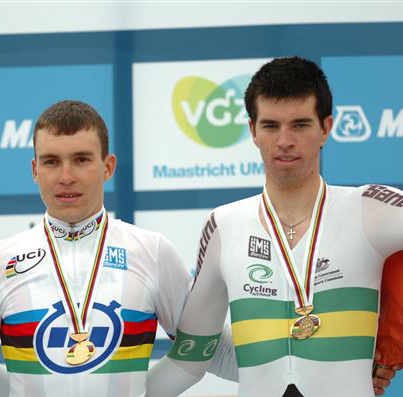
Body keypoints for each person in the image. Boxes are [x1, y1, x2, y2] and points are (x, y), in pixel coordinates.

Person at [146, 56, 403, 397]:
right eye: (270, 126)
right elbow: (190, 360)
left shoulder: (370, 208)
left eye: (299, 125)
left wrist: (392, 340)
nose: (284, 140)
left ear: (325, 128)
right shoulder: (224, 225)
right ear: (252, 130)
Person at [0, 100, 238, 397]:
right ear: (35, 170)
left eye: (81, 159)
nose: (66, 176)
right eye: (51, 161)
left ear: (107, 166)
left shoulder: (153, 251)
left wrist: (284, 365)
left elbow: (209, 349)